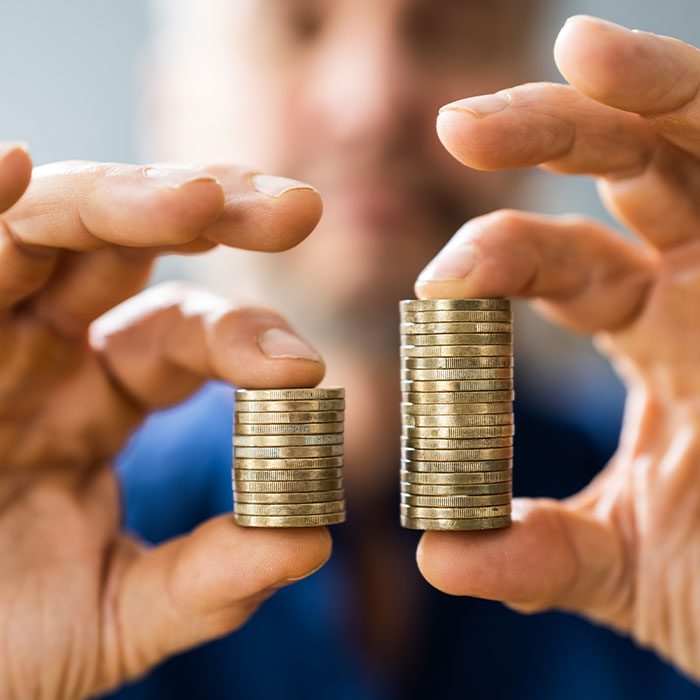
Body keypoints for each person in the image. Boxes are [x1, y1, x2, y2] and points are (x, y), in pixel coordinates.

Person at [0, 1, 699, 696]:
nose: (372, 100)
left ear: (523, 76)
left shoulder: (674, 511)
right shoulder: (38, 531)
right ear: (167, 101)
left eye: (448, 29)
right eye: (293, 26)